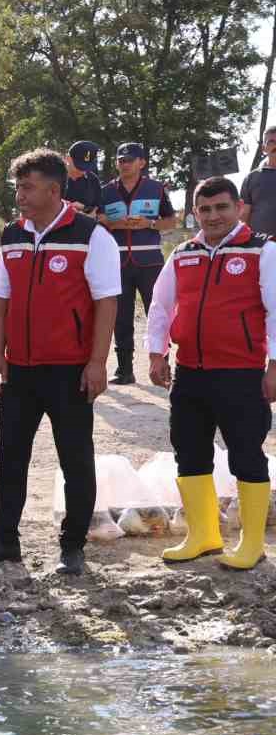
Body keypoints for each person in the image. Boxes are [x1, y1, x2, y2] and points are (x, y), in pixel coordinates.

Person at [0, 148, 121, 576]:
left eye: (27, 187)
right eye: (17, 187)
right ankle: (4, 540)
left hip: (70, 371)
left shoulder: (92, 235)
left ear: (54, 190)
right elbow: (2, 298)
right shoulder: (12, 235)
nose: (20, 195)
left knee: (75, 459)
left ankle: (72, 546)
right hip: (20, 370)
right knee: (9, 458)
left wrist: (97, 362)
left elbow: (106, 303)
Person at [146, 177, 276, 569]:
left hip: (241, 373)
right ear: (195, 213)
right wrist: (157, 353)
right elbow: (160, 305)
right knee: (189, 453)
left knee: (246, 455)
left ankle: (252, 544)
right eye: (204, 209)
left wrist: (275, 367)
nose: (213, 216)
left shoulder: (263, 250)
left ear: (238, 207)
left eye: (221, 207)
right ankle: (203, 536)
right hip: (190, 373)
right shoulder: (184, 253)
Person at [98, 141, 176, 385]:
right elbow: (98, 218)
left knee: (159, 314)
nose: (124, 163)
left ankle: (164, 366)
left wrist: (149, 224)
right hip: (117, 261)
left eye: (129, 159)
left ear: (142, 163)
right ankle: (124, 370)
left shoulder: (156, 189)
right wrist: (113, 223)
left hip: (150, 262)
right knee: (121, 316)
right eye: (120, 159)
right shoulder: (106, 190)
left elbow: (171, 221)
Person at [240, 125, 276, 240]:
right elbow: (244, 215)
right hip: (261, 246)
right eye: (271, 142)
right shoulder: (251, 178)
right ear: (263, 148)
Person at [63, 141, 103, 215]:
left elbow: (99, 209)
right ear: (68, 158)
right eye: (79, 167)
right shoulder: (53, 177)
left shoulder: (93, 179)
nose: (83, 171)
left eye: (87, 168)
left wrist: (85, 208)